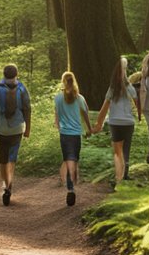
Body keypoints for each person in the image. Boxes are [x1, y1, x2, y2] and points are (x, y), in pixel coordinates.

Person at [92, 56, 139, 188]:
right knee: (126, 150)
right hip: (128, 123)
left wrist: (99, 124)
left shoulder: (112, 89)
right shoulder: (130, 87)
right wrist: (138, 114)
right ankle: (125, 175)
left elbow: (104, 108)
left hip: (115, 122)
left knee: (117, 152)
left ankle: (119, 179)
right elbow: (137, 103)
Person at [0, 63, 31, 206]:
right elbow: (27, 108)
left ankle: (5, 185)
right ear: (16, 74)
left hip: (3, 128)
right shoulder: (22, 88)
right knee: (12, 157)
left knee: (3, 157)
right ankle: (10, 184)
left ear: (4, 74)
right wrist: (28, 129)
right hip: (18, 128)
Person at [54, 70, 93, 207]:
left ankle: (70, 188)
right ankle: (71, 183)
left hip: (64, 134)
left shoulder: (58, 98)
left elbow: (56, 117)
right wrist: (89, 129)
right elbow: (86, 113)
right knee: (74, 159)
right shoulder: (79, 98)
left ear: (63, 82)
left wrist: (59, 127)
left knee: (67, 158)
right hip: (76, 134)